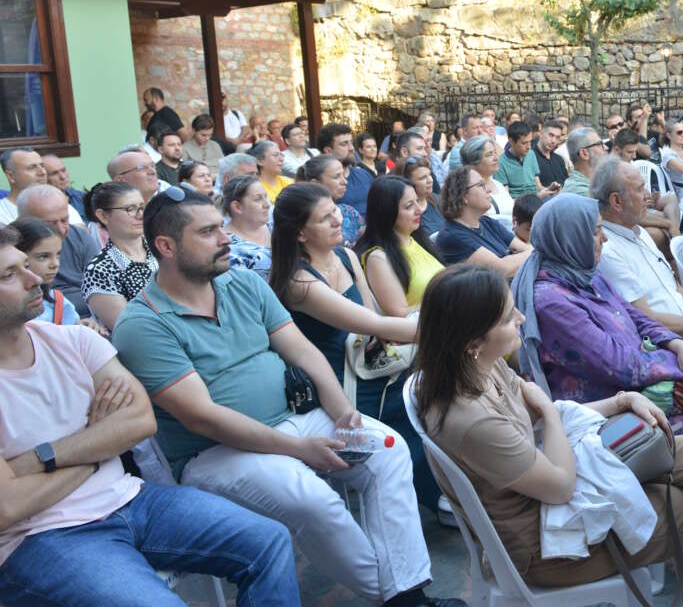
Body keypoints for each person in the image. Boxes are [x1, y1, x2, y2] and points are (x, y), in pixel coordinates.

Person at [111, 188, 462, 607]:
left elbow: (303, 351)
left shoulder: (242, 283)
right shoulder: (143, 324)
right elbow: (202, 417)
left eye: (221, 227)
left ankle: (404, 593)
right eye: (207, 232)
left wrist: (341, 410)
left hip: (296, 418)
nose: (225, 239)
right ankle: (404, 598)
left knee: (389, 449)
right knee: (312, 498)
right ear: (166, 247)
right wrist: (298, 449)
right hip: (216, 452)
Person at [0, 224, 302, 607]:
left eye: (26, 266)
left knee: (268, 541)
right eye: (9, 275)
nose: (34, 280)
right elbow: (8, 507)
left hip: (131, 499)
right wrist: (98, 447)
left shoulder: (74, 340)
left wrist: (40, 459)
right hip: (40, 537)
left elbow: (142, 421)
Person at [415, 264, 683, 607]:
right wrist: (549, 412)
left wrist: (622, 401)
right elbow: (560, 485)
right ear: (472, 342)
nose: (521, 318)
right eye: (506, 318)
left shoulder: (480, 367)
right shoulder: (473, 418)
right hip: (551, 547)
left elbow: (543, 413)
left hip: (556, 497)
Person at [271, 183, 440, 513]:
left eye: (334, 210)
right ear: (301, 234)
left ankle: (435, 492)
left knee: (431, 397)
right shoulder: (299, 282)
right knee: (412, 409)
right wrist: (448, 326)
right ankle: (429, 497)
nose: (338, 220)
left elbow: (376, 326)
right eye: (325, 218)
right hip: (337, 379)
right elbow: (373, 324)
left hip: (368, 362)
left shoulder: (346, 256)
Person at [512, 193, 683, 441]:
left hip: (645, 386)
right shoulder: (550, 302)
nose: (605, 237)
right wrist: (680, 361)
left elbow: (636, 317)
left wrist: (679, 346)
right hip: (610, 413)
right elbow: (617, 364)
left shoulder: (584, 274)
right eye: (596, 231)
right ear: (569, 238)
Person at [594, 158, 683, 344]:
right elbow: (643, 317)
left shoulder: (640, 232)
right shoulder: (608, 251)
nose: (648, 196)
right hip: (669, 348)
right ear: (617, 201)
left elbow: (673, 284)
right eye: (640, 189)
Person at [357, 176, 444, 319]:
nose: (419, 210)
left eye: (417, 201)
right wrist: (447, 300)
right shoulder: (378, 258)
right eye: (409, 206)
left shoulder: (416, 239)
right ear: (387, 211)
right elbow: (398, 313)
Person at [81, 182, 157, 332]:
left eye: (142, 207)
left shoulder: (163, 250)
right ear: (103, 216)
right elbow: (131, 331)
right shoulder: (99, 271)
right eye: (130, 209)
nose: (141, 215)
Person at [15, 185, 100, 317]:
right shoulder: (10, 248)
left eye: (64, 220)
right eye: (50, 224)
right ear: (23, 221)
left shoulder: (80, 237)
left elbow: (102, 284)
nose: (60, 229)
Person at [9, 217, 104, 331]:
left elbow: (69, 328)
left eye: (58, 254)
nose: (55, 264)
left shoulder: (57, 301)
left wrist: (80, 328)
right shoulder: (7, 306)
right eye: (43, 257)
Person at [436, 167, 530, 275]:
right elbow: (503, 270)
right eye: (481, 185)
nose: (489, 190)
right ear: (463, 195)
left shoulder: (487, 222)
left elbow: (527, 249)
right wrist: (523, 256)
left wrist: (517, 258)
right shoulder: (452, 236)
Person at [0, 148, 82, 226]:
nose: (42, 172)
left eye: (42, 166)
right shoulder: (2, 212)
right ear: (10, 176)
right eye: (32, 168)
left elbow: (80, 233)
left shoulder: (61, 205)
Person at [297, 155, 364, 247]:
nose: (345, 182)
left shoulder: (350, 212)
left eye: (343, 175)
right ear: (315, 184)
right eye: (337, 177)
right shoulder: (306, 220)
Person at [223, 175, 273, 280]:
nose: (267, 204)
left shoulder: (275, 228)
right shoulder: (227, 246)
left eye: (266, 197)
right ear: (237, 207)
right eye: (258, 199)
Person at [316, 122, 372, 217]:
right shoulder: (322, 183)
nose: (352, 148)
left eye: (351, 143)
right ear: (328, 151)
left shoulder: (364, 174)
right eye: (344, 144)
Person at [460, 135, 514, 219]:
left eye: (495, 152)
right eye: (489, 154)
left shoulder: (498, 184)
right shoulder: (471, 191)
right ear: (473, 161)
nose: (496, 158)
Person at [496, 121, 555, 198]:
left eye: (530, 142)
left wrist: (549, 189)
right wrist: (538, 196)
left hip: (537, 198)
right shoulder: (501, 163)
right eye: (524, 143)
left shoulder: (531, 154)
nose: (529, 147)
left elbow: (538, 186)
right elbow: (506, 198)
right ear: (511, 141)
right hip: (519, 202)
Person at [562, 127, 608, 196]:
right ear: (584, 153)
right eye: (599, 144)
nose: (606, 148)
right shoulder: (582, 192)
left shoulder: (594, 184)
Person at [42, 153, 86, 219]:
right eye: (54, 173)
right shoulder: (42, 206)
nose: (63, 177)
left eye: (63, 170)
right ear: (44, 178)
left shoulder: (79, 196)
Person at [532, 118, 568, 188]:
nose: (553, 141)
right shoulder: (530, 157)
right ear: (541, 133)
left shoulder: (559, 159)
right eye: (551, 135)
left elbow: (566, 183)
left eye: (557, 137)